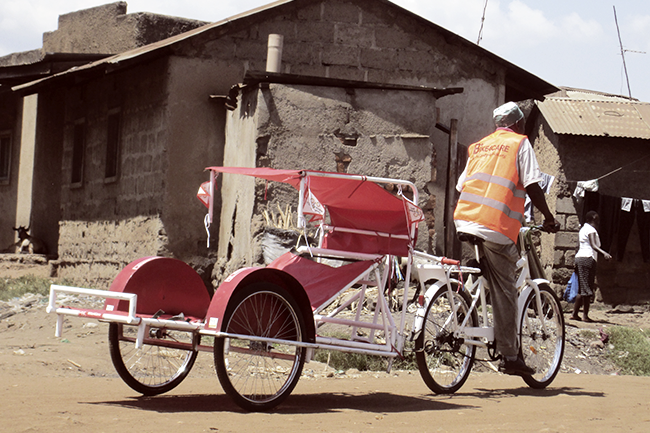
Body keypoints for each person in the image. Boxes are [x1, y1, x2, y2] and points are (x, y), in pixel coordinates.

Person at [454, 101, 559, 377]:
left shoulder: (479, 146)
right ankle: (510, 356)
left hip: (465, 220)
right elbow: (533, 184)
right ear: (517, 123)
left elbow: (461, 185)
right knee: (506, 289)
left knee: (487, 273)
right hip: (495, 226)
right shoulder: (519, 143)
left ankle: (465, 307)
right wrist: (548, 217)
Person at [571, 211, 611, 322]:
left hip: (580, 258)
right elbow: (593, 245)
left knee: (582, 288)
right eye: (596, 219)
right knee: (587, 288)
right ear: (592, 219)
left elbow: (577, 246)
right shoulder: (591, 230)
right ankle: (585, 315)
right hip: (588, 258)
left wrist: (575, 260)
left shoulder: (582, 229)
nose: (598, 221)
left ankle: (575, 314)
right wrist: (604, 253)